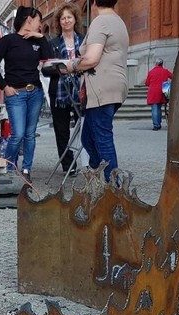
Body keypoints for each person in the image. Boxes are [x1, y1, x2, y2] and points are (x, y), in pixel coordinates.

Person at [61, 0, 128, 182]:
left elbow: (91, 58)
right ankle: (103, 179)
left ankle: (113, 188)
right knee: (89, 137)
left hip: (101, 87)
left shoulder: (101, 21)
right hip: (112, 86)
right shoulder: (118, 21)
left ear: (94, 3)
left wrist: (69, 66)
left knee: (101, 137)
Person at [0, 6, 53, 182]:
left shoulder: (37, 41)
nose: (40, 25)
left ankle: (26, 170)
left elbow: (49, 60)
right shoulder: (7, 40)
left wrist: (41, 38)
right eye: (38, 21)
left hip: (35, 92)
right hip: (15, 93)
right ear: (29, 19)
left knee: (30, 134)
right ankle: (10, 167)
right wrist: (4, 86)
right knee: (17, 134)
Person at [47, 3, 83, 176]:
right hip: (59, 92)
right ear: (59, 22)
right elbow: (45, 68)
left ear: (75, 19)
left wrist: (76, 67)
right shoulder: (52, 43)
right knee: (61, 130)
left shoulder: (84, 41)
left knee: (85, 127)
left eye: (69, 17)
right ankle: (69, 164)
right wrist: (59, 69)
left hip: (81, 90)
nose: (66, 21)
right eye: (63, 18)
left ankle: (88, 161)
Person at [145, 58, 172, 131]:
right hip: (163, 91)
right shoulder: (165, 71)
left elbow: (147, 83)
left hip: (153, 91)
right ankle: (159, 123)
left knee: (154, 109)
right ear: (162, 64)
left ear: (156, 64)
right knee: (159, 108)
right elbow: (173, 76)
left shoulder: (151, 72)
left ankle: (156, 125)